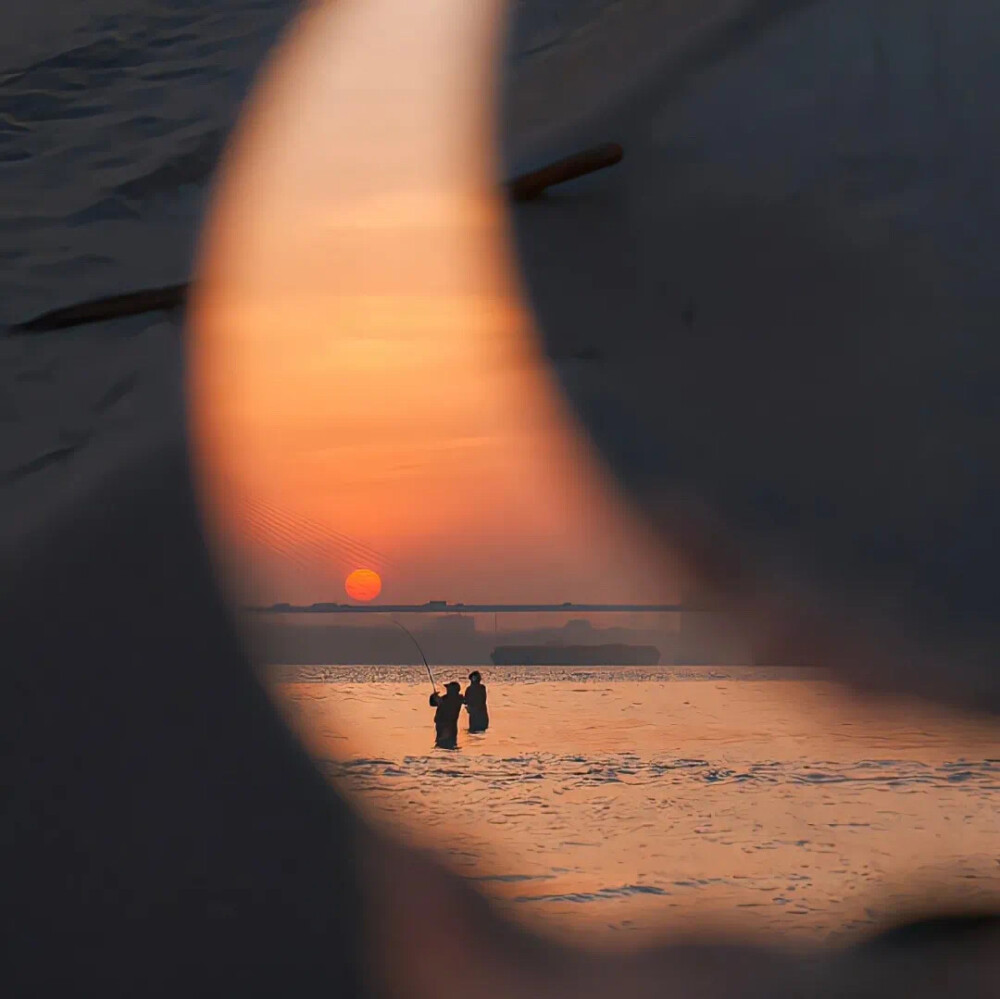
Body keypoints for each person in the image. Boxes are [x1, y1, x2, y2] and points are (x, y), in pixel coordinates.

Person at [428, 681, 463, 749]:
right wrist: (433, 697)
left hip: (448, 726)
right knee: (441, 743)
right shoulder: (445, 698)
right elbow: (432, 704)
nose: (447, 690)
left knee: (445, 743)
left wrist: (440, 701)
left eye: (448, 689)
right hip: (441, 725)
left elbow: (449, 707)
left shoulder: (457, 699)